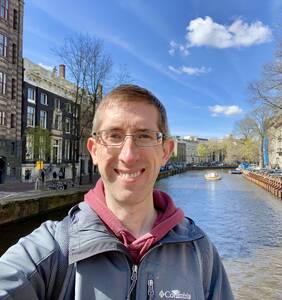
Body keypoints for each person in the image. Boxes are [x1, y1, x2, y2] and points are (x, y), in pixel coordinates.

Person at [0, 85, 234, 299]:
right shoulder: (50, 252)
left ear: (166, 151)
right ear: (94, 150)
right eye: (114, 136)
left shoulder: (201, 253)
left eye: (144, 135)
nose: (128, 155)